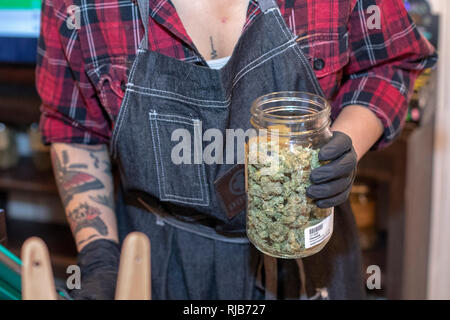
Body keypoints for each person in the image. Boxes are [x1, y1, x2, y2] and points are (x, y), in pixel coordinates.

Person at [36, 0, 436, 300]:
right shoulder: (81, 8)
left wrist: (345, 141)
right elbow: (75, 130)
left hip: (304, 243)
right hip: (158, 257)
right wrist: (101, 259)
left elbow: (388, 65)